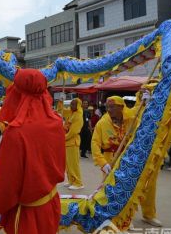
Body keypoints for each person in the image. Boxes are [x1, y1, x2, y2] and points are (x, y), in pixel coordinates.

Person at [0, 69, 66, 234]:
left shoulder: (15, 134)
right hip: (51, 205)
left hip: (27, 215)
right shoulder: (56, 122)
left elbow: (6, 186)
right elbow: (21, 115)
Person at [92, 91, 162, 227]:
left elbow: (145, 122)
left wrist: (145, 103)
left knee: (144, 185)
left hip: (130, 157)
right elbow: (95, 144)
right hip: (110, 159)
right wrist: (102, 163)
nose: (109, 109)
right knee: (114, 189)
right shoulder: (102, 123)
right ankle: (121, 217)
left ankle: (149, 214)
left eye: (112, 107)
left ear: (121, 107)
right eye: (107, 107)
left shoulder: (133, 119)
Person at [64, 98, 84, 190]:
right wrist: (61, 102)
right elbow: (61, 112)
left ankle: (78, 182)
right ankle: (71, 180)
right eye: (71, 104)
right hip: (67, 142)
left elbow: (74, 131)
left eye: (73, 104)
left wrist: (63, 137)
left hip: (72, 142)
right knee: (68, 164)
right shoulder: (72, 114)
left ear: (78, 105)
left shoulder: (78, 116)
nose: (71, 106)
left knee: (73, 163)